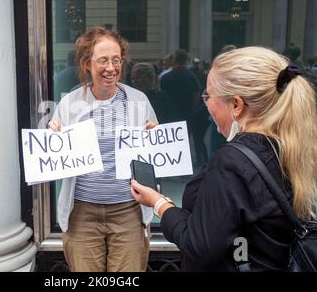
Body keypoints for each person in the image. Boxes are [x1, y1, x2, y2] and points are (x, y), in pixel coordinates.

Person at [131, 46, 317, 271]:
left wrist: (158, 203)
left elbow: (199, 245)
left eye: (208, 95)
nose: (205, 102)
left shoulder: (232, 162)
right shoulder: (286, 146)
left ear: (237, 105)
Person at [48, 26, 158, 272]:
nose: (111, 68)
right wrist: (53, 139)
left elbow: (150, 159)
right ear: (87, 64)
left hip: (128, 211)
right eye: (103, 61)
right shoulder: (69, 104)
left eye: (116, 60)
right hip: (82, 214)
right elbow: (55, 160)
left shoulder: (139, 101)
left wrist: (156, 138)